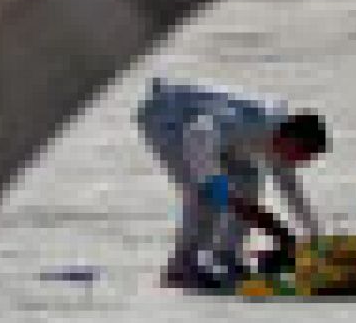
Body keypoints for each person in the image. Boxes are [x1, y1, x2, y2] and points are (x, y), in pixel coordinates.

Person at [135, 78, 328, 290]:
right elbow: (197, 142)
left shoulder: (281, 139)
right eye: (300, 156)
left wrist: (316, 238)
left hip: (213, 138)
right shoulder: (242, 123)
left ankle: (226, 253)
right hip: (170, 119)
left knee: (249, 181)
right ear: (290, 139)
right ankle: (182, 265)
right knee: (206, 194)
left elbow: (291, 190)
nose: (297, 164)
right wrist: (262, 220)